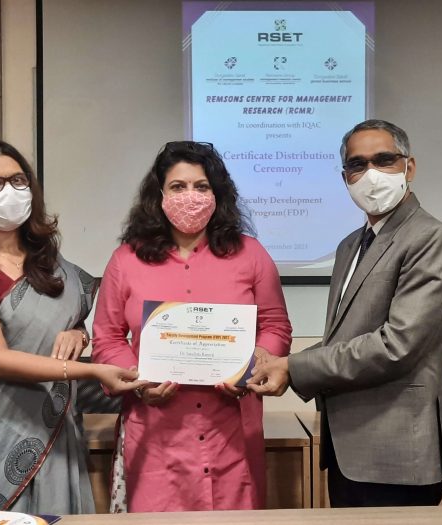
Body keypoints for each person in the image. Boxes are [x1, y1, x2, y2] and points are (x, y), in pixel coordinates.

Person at [248, 120, 442, 507]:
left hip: (397, 453)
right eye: (357, 165)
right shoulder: (350, 245)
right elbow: (344, 339)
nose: (371, 174)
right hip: (348, 450)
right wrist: (280, 365)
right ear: (345, 177)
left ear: (409, 167)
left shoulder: (432, 238)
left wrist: (293, 366)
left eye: (384, 160)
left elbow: (397, 345)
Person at [0, 140, 145, 517]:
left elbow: (69, 317)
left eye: (18, 180)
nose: (8, 191)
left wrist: (78, 333)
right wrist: (92, 370)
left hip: (52, 433)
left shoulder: (48, 262)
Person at [91, 140, 292, 512]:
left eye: (201, 186)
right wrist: (138, 379)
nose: (190, 196)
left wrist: (252, 366)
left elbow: (276, 326)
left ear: (218, 195)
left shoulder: (251, 254)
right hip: (156, 433)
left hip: (231, 431)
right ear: (159, 195)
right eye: (178, 187)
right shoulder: (126, 259)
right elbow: (107, 337)